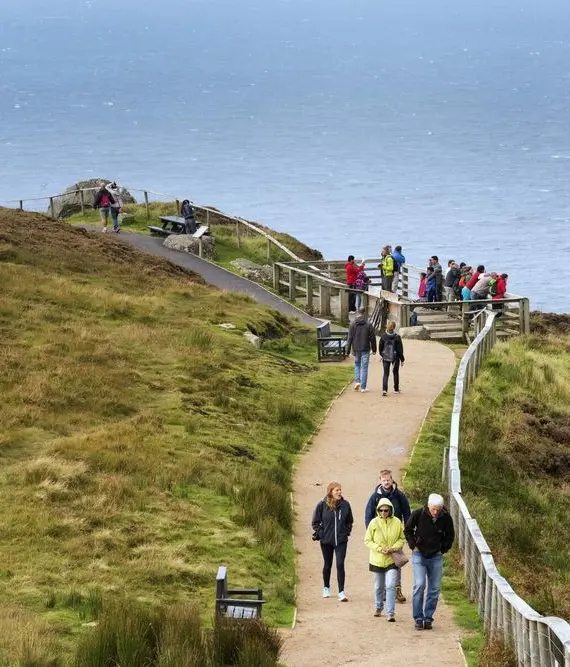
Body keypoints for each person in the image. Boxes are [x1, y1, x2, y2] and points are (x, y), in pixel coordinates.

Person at [404, 493, 455, 630]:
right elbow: (408, 530)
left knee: (434, 589)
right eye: (433, 508)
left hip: (436, 556)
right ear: (428, 506)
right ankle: (418, 617)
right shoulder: (418, 514)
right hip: (419, 554)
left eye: (438, 509)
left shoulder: (446, 518)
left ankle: (428, 617)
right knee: (420, 585)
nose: (436, 511)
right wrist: (413, 545)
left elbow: (450, 536)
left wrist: (443, 549)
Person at [364, 469, 411, 603]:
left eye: (388, 480)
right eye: (384, 480)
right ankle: (383, 590)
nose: (386, 482)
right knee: (381, 562)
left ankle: (397, 588)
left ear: (392, 480)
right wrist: (371, 532)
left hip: (395, 534)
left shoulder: (399, 496)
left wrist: (407, 530)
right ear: (380, 481)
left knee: (397, 561)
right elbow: (368, 515)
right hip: (380, 536)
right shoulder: (374, 497)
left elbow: (407, 513)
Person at [311, 482, 354, 602]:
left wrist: (347, 531)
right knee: (327, 564)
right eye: (336, 490)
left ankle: (341, 592)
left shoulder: (345, 505)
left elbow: (350, 521)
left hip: (341, 541)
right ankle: (326, 587)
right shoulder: (322, 505)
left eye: (340, 490)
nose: (339, 492)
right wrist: (321, 533)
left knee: (340, 564)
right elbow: (315, 522)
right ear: (330, 492)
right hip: (326, 541)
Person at [364, 498, 405, 621]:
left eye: (386, 510)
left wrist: (393, 548)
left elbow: (402, 539)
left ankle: (390, 612)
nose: (383, 512)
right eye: (381, 510)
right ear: (378, 510)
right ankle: (379, 606)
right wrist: (379, 548)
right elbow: (367, 540)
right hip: (377, 560)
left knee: (391, 585)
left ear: (390, 510)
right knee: (378, 586)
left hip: (392, 560)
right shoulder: (373, 523)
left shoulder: (397, 522)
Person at [346, 306, 377, 393]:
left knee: (357, 365)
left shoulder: (352, 324)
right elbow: (373, 338)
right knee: (364, 367)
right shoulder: (369, 324)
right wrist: (374, 349)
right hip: (365, 348)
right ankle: (363, 387)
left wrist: (347, 351)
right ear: (365, 313)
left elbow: (349, 338)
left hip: (356, 348)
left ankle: (357, 382)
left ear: (358, 312)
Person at [379, 320, 405, 396]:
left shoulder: (383, 336)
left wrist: (382, 355)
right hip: (395, 357)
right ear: (394, 327)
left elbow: (380, 348)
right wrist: (402, 359)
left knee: (386, 374)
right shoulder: (397, 337)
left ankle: (384, 389)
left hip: (385, 357)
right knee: (396, 373)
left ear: (387, 326)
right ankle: (396, 389)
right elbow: (400, 349)